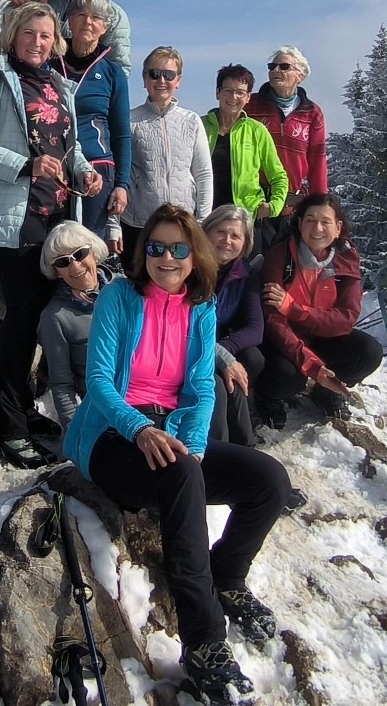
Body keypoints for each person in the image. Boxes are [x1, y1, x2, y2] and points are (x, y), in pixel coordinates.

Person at [61, 203, 288, 702]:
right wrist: (140, 428)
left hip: (175, 435)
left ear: (194, 255)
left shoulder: (200, 307)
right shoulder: (119, 297)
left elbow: (203, 386)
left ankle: (227, 574)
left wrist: (198, 445)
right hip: (113, 437)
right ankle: (204, 642)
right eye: (157, 247)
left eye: (179, 248)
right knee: (181, 474)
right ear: (144, 252)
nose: (167, 257)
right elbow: (98, 380)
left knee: (269, 481)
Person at [0, 2, 102, 469]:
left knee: (39, 320)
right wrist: (25, 165)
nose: (37, 42)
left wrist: (84, 172)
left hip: (56, 216)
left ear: (55, 42)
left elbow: (69, 148)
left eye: (45, 35)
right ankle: (9, 429)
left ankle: (18, 411)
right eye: (29, 33)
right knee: (21, 322)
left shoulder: (60, 85)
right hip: (14, 220)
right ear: (12, 36)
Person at [259, 192, 385, 426]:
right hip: (285, 342)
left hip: (322, 337)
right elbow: (274, 322)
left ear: (338, 228)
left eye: (325, 221)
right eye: (310, 220)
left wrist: (294, 309)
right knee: (288, 377)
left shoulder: (346, 258)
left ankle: (325, 391)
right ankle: (269, 397)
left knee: (369, 353)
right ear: (299, 224)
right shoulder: (281, 255)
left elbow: (346, 319)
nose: (317, 228)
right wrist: (311, 365)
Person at [48, 0, 130, 247]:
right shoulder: (48, 64)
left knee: (87, 248)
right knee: (50, 246)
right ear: (69, 21)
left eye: (96, 17)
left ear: (104, 27)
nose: (88, 22)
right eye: (81, 15)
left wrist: (122, 185)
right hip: (52, 165)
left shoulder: (112, 73)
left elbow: (121, 133)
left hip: (96, 170)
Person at [121, 46, 212, 255]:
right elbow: (119, 175)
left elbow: (204, 173)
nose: (161, 80)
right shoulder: (129, 120)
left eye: (169, 75)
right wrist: (114, 225)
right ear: (144, 78)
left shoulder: (191, 121)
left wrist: (202, 221)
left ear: (178, 81)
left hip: (183, 223)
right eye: (154, 74)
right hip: (139, 225)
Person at [36, 220, 115, 431]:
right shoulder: (55, 317)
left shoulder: (124, 290)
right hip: (104, 414)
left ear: (93, 252)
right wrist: (75, 433)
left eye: (80, 254)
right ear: (56, 271)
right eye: (63, 262)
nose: (75, 266)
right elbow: (61, 384)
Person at [203, 64, 289, 253]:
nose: (233, 97)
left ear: (248, 96)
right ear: (218, 93)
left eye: (240, 92)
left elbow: (279, 176)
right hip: (206, 218)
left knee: (244, 270)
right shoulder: (200, 127)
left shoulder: (256, 131)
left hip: (245, 220)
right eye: (228, 91)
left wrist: (273, 206)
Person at [203, 205, 264, 448]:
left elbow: (255, 328)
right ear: (206, 232)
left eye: (235, 236)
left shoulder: (245, 274)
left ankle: (244, 446)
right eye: (220, 232)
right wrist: (221, 357)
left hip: (216, 344)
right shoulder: (188, 266)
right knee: (219, 382)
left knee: (250, 360)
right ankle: (227, 448)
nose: (227, 241)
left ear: (245, 243)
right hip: (188, 342)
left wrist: (223, 351)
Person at [245, 45, 328, 217]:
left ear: (300, 76)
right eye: (272, 66)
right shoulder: (250, 105)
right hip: (255, 200)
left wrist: (320, 204)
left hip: (292, 203)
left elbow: (317, 160)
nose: (276, 70)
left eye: (284, 67)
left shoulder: (312, 113)